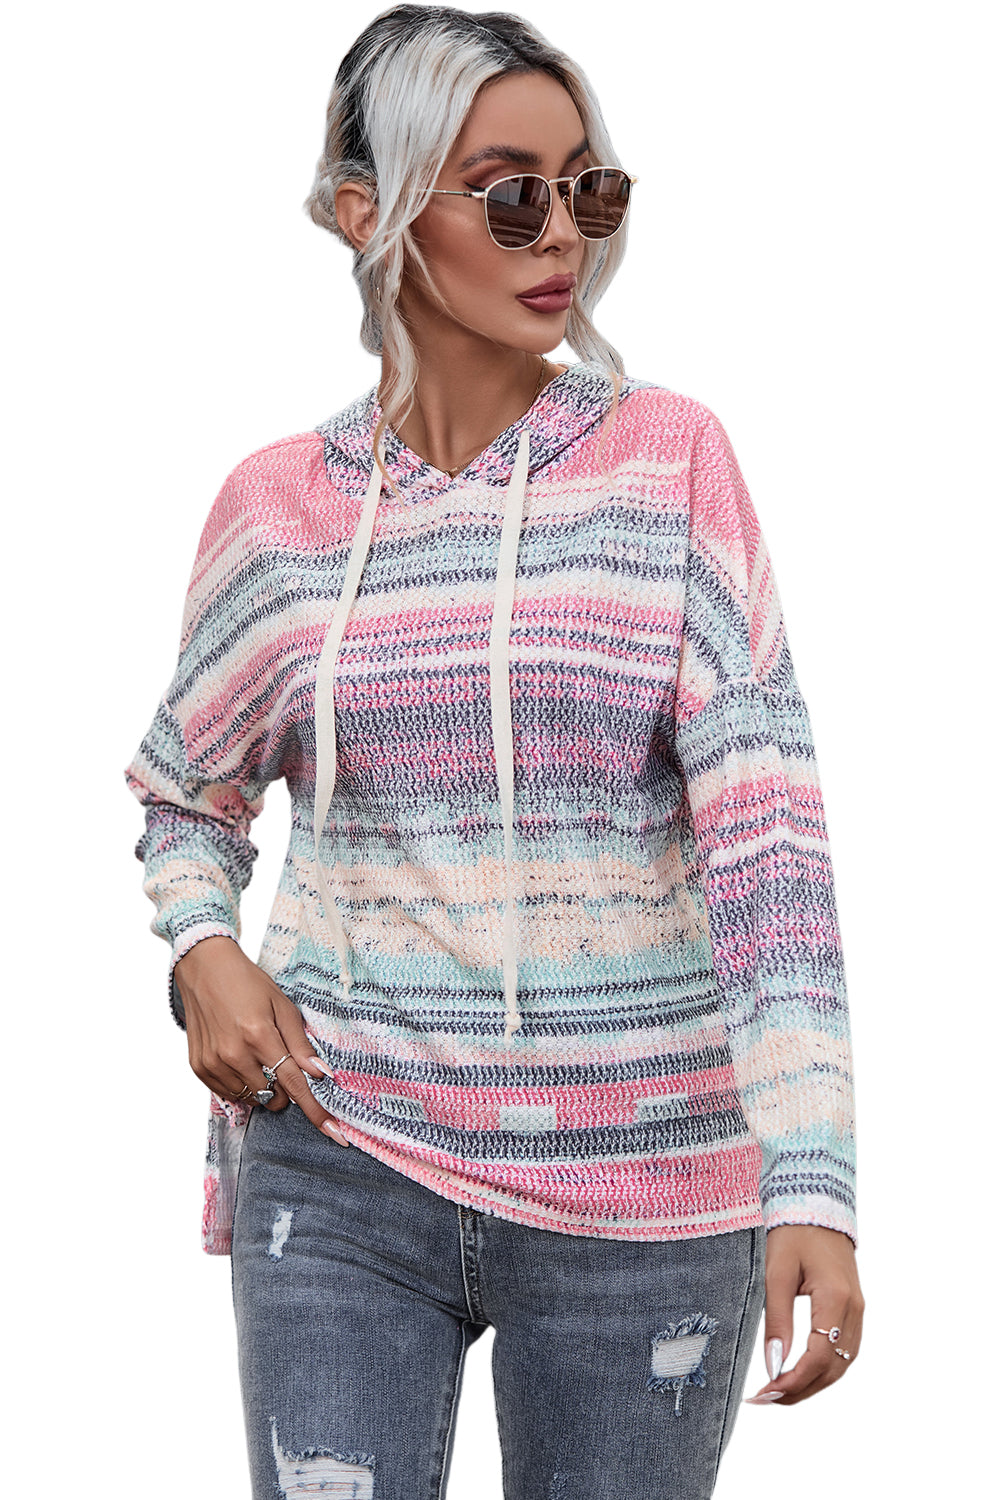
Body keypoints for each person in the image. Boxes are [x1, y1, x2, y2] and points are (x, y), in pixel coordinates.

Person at [123, 6, 864, 1496]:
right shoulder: (277, 508)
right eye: (509, 192)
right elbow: (185, 796)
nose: (564, 232)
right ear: (366, 211)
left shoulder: (669, 462)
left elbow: (765, 840)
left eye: (588, 188)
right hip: (338, 1157)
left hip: (642, 1180)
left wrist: (813, 1176)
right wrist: (202, 951)